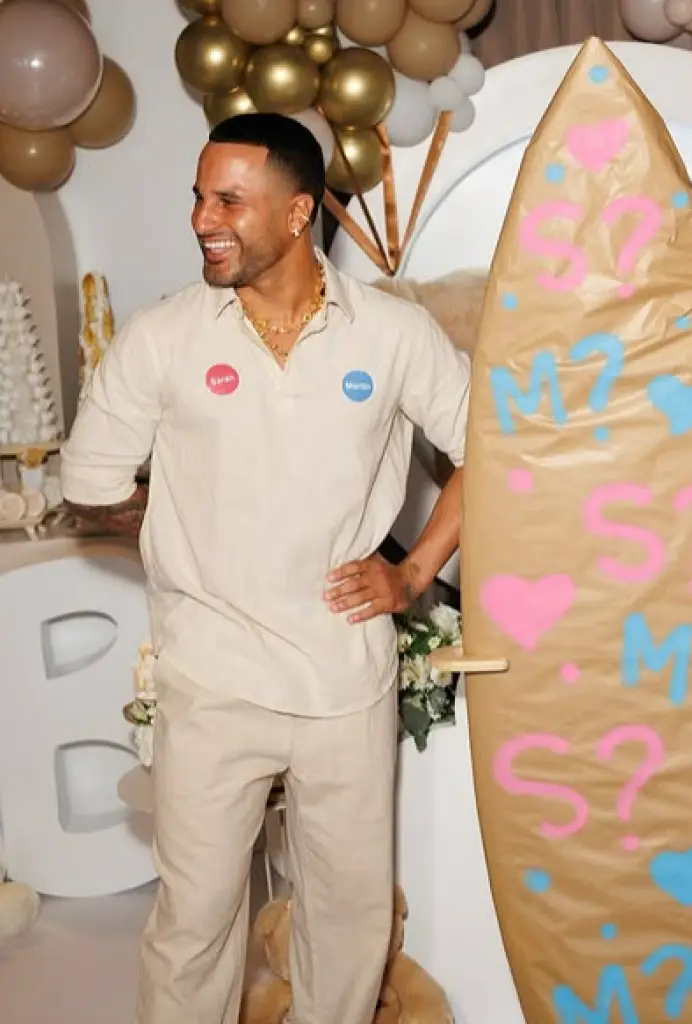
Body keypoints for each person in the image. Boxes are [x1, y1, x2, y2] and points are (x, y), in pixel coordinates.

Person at [60, 113, 470, 1024]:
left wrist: (410, 578)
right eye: (199, 196)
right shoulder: (164, 336)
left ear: (295, 214)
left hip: (345, 673)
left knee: (351, 915)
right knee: (195, 920)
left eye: (228, 200)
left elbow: (493, 450)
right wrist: (187, 537)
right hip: (210, 677)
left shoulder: (392, 334)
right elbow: (90, 481)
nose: (203, 217)